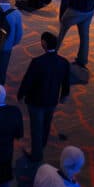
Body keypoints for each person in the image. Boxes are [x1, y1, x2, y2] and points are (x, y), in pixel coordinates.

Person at [18, 32, 71, 163]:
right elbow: (66, 81)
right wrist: (64, 94)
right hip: (52, 100)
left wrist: (21, 93)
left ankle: (36, 155)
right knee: (46, 125)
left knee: (36, 127)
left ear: (44, 44)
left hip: (36, 101)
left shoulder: (37, 62)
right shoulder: (63, 62)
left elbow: (28, 80)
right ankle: (41, 146)